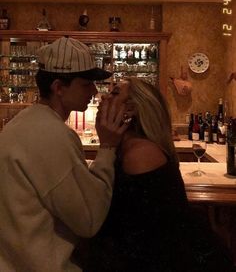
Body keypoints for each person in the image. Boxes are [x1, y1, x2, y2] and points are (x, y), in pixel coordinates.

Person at [0, 37, 128, 272]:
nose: (94, 90)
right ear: (59, 87)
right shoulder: (52, 134)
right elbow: (89, 219)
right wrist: (108, 147)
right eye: (86, 83)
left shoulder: (24, 123)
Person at [84, 77, 236, 272]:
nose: (104, 96)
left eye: (115, 93)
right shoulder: (129, 147)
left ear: (131, 110)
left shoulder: (140, 154)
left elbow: (142, 238)